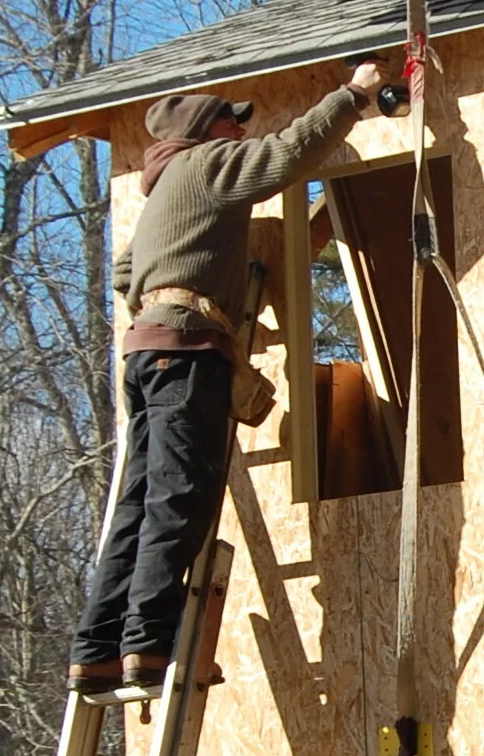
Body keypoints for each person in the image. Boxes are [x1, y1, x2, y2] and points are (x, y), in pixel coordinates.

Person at [70, 69, 384, 694]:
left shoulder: (162, 192)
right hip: (187, 352)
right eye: (230, 120)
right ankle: (148, 644)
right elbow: (286, 155)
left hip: (146, 353)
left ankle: (96, 648)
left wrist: (195, 269)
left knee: (138, 501)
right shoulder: (210, 164)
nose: (241, 127)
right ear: (202, 134)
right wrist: (353, 95)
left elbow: (126, 269)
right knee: (178, 497)